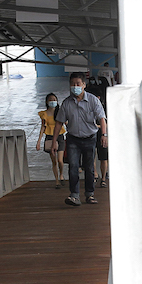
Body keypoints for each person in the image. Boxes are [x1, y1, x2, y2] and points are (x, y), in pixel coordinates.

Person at [51, 72, 107, 206]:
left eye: (78, 84)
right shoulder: (66, 103)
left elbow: (102, 118)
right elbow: (59, 123)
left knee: (89, 168)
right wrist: (54, 141)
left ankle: (90, 194)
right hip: (73, 140)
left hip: (90, 138)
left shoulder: (93, 100)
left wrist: (104, 135)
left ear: (84, 85)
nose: (75, 86)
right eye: (72, 84)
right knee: (73, 167)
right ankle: (74, 195)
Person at [35, 93, 66, 187]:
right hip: (50, 138)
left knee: (60, 160)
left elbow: (66, 123)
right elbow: (43, 128)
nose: (53, 101)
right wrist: (39, 141)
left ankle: (61, 175)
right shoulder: (44, 114)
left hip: (60, 137)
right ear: (47, 102)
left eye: (54, 99)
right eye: (51, 100)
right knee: (54, 161)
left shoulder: (60, 112)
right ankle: (57, 180)